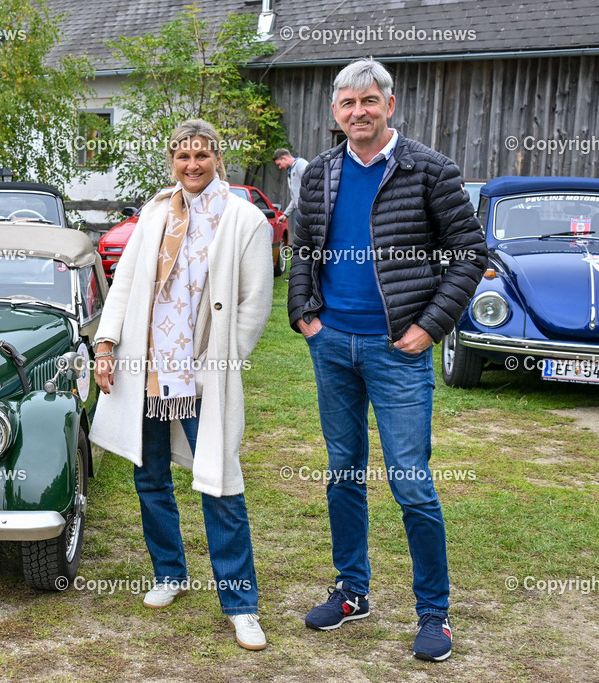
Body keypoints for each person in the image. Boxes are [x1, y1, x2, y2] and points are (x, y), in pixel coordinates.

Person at [287, 58, 486, 662]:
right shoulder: (320, 172)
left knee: (411, 483)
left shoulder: (430, 169)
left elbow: (470, 253)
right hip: (334, 346)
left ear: (389, 105)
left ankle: (436, 615)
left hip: (398, 350)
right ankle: (352, 592)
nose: (358, 113)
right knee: (343, 473)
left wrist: (430, 326)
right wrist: (305, 315)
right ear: (335, 112)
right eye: (347, 104)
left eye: (369, 101)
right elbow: (302, 248)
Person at [90, 119, 273, 651]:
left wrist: (222, 360)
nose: (192, 165)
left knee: (219, 480)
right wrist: (106, 344)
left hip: (203, 370)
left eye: (201, 155)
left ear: (218, 157)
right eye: (182, 157)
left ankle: (241, 605)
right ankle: (169, 573)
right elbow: (124, 284)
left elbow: (254, 304)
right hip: (147, 364)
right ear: (172, 160)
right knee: (149, 477)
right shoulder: (155, 212)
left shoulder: (243, 219)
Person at [272, 148, 308, 241]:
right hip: (299, 212)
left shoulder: (301, 165)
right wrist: (285, 215)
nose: (280, 167)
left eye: (279, 164)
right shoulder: (290, 171)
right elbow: (295, 197)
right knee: (300, 240)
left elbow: (312, 186)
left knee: (306, 239)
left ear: (284, 158)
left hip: (307, 212)